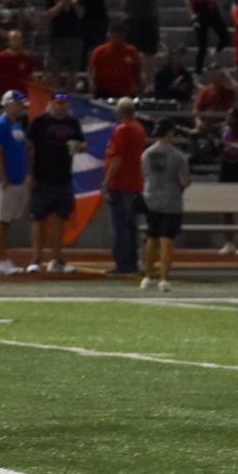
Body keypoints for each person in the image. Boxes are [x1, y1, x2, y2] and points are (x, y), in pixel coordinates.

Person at [27, 92, 85, 274]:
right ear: (52, 103)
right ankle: (36, 258)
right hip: (43, 176)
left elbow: (83, 144)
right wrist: (30, 173)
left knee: (60, 218)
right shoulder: (39, 122)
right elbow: (29, 148)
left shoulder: (72, 123)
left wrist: (78, 147)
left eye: (64, 103)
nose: (61, 106)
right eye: (58, 103)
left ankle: (56, 258)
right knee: (39, 218)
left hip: (63, 176)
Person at [139, 119, 190, 291]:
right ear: (170, 133)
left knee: (151, 238)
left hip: (151, 199)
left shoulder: (146, 154)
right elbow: (183, 181)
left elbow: (146, 176)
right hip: (171, 200)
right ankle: (164, 278)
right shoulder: (178, 156)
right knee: (167, 239)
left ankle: (147, 277)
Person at [0, 89, 30, 275]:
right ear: (8, 104)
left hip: (16, 180)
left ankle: (2, 258)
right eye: (18, 103)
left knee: (6, 221)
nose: (21, 106)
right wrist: (3, 177)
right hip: (5, 181)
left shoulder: (16, 125)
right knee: (0, 219)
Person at [103, 97, 146, 276]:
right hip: (135, 182)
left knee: (120, 226)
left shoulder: (122, 130)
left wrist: (106, 181)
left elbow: (117, 158)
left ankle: (123, 263)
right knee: (131, 226)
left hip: (121, 184)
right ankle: (132, 262)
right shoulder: (139, 129)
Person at [88, 23, 144, 99]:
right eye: (117, 35)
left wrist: (140, 88)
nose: (119, 38)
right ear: (110, 35)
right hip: (104, 92)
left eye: (121, 35)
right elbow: (92, 71)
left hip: (127, 93)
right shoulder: (100, 51)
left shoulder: (132, 51)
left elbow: (137, 72)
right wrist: (92, 84)